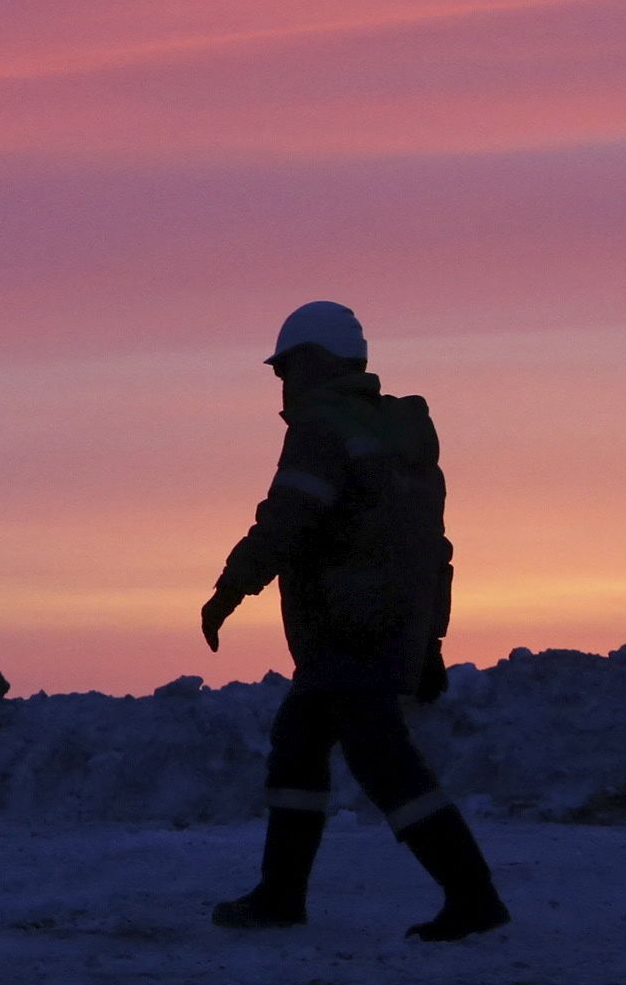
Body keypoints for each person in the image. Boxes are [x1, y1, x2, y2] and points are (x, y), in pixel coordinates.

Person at [200, 299, 508, 942]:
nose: (282, 383)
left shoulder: (321, 429)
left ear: (313, 362)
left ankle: (473, 896)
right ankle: (281, 895)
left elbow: (287, 519)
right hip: (385, 626)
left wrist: (230, 589)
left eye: (285, 368)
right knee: (299, 747)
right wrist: (428, 642)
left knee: (384, 762)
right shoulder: (401, 437)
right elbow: (432, 551)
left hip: (345, 626)